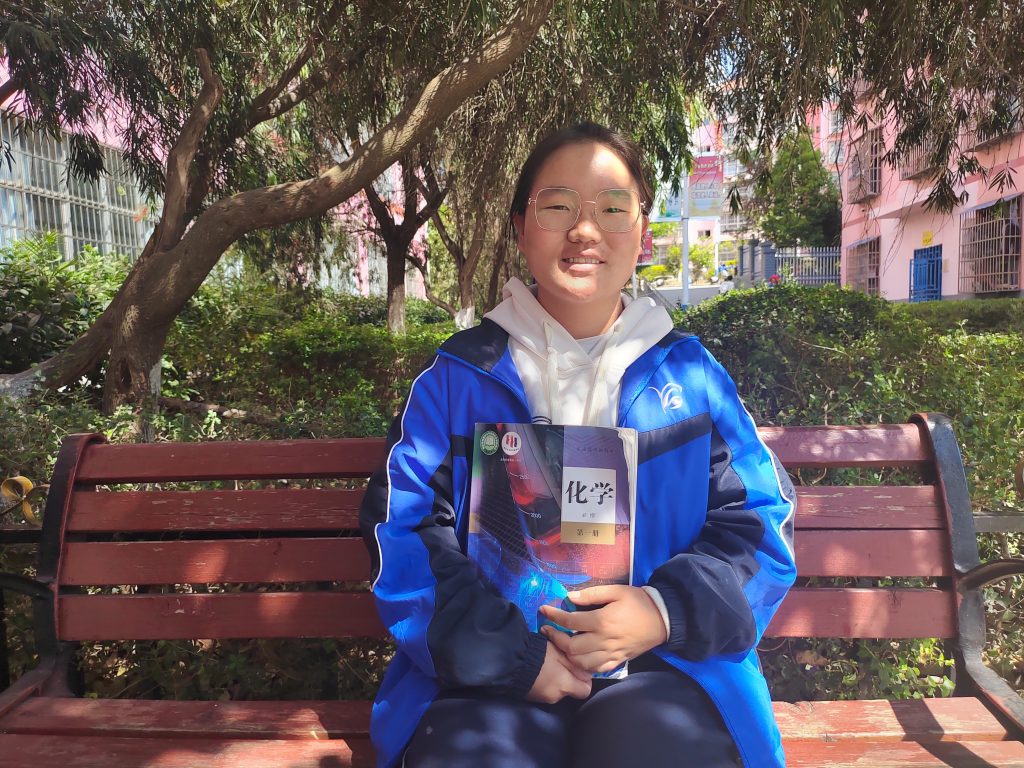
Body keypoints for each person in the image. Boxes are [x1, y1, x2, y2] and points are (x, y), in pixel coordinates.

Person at [359, 123, 796, 768]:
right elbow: (401, 532)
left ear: (643, 233)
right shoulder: (458, 380)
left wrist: (661, 609)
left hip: (665, 671)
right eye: (558, 205)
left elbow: (759, 527)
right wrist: (509, 655)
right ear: (519, 226)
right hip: (489, 683)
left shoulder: (691, 381)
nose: (585, 230)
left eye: (612, 209)